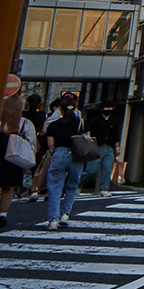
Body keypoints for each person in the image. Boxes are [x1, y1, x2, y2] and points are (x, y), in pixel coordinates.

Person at [0, 89, 36, 234]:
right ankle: (3, 215)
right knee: (8, 187)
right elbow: (32, 142)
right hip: (14, 155)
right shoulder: (24, 123)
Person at [43, 92, 84, 230]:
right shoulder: (81, 124)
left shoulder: (54, 125)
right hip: (76, 155)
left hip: (59, 154)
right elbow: (87, 138)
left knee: (54, 187)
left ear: (60, 110)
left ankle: (53, 220)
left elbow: (51, 145)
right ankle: (65, 214)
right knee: (72, 185)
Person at [81, 102, 121, 196]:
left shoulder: (114, 122)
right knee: (91, 170)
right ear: (102, 109)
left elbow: (116, 136)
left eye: (110, 107)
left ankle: (104, 189)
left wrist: (117, 148)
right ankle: (76, 183)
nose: (109, 109)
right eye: (106, 107)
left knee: (107, 170)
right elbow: (88, 134)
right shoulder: (95, 121)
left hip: (109, 147)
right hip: (96, 147)